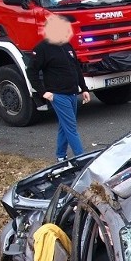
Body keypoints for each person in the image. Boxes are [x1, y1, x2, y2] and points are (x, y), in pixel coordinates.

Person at [26, 15, 90, 162]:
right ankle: (82, 159)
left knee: (65, 125)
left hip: (72, 93)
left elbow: (76, 68)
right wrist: (43, 92)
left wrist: (84, 88)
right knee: (71, 128)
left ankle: (60, 156)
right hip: (58, 95)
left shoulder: (67, 46)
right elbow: (31, 71)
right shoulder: (42, 48)